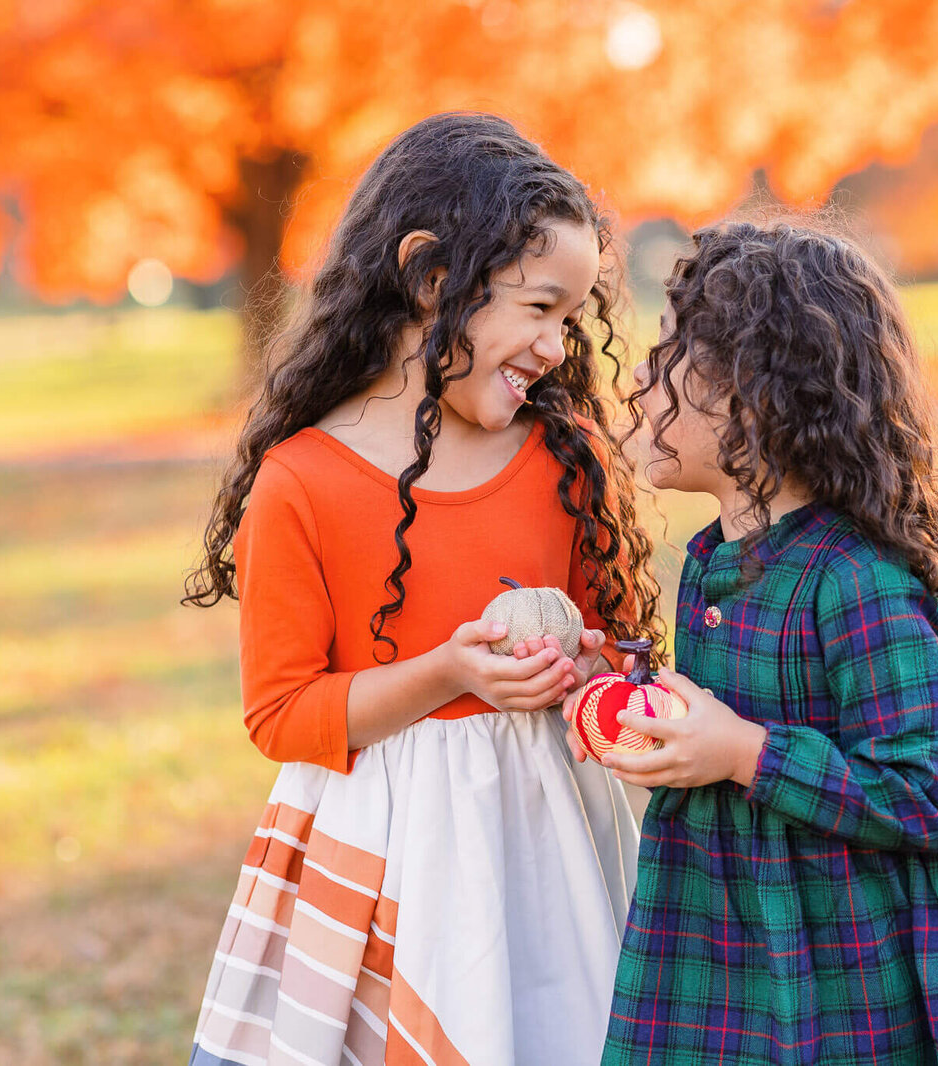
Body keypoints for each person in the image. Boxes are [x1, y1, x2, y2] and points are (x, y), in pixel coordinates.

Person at [182, 111, 662, 1066]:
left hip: (541, 851)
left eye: (574, 317)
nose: (561, 347)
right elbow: (282, 713)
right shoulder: (301, 484)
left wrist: (589, 677)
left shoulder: (569, 464)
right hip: (375, 861)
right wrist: (450, 673)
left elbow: (618, 647)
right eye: (538, 309)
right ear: (432, 278)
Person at [573, 218, 938, 1065]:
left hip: (845, 977)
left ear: (753, 398)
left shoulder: (858, 581)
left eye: (667, 357)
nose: (640, 385)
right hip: (731, 952)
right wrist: (642, 701)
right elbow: (724, 725)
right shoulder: (715, 562)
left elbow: (934, 792)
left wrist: (747, 754)